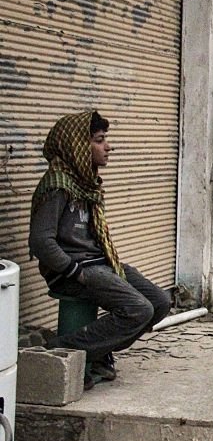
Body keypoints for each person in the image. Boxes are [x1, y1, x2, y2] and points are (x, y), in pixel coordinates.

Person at [29, 111, 171, 389]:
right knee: (138, 309)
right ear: (78, 145)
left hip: (100, 263)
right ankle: (60, 350)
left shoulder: (86, 183)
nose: (108, 147)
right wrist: (76, 271)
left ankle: (96, 351)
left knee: (159, 302)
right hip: (74, 270)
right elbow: (41, 241)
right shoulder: (57, 186)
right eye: (99, 140)